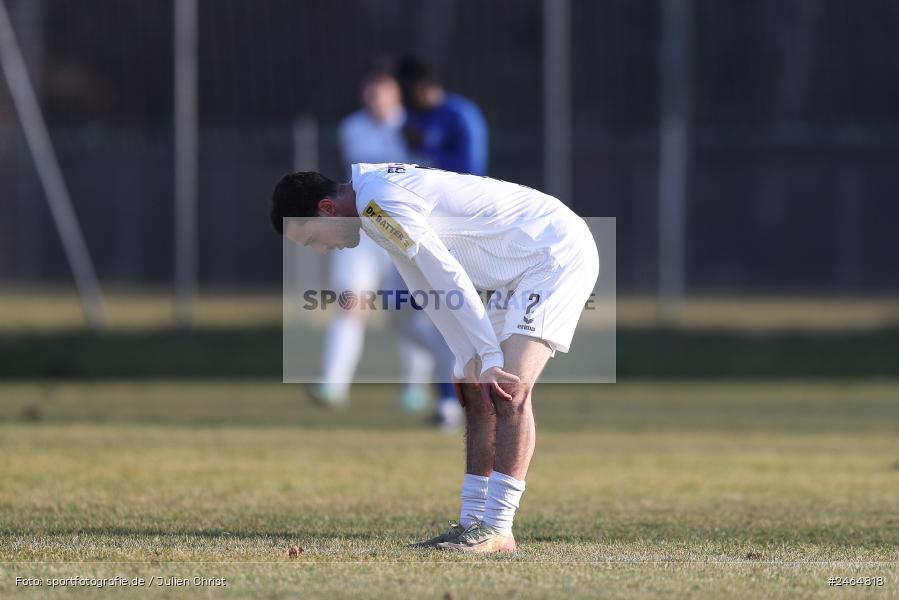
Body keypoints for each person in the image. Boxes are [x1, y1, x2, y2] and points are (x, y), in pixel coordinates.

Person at [270, 163, 599, 553]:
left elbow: (447, 276)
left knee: (510, 388)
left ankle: (498, 529)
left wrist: (489, 354)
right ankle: (472, 522)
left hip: (552, 253)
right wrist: (467, 357)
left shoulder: (378, 203)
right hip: (516, 270)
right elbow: (426, 287)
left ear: (326, 209)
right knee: (475, 389)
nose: (321, 250)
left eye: (311, 240)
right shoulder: (373, 206)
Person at [312, 64, 461, 430]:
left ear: (397, 95)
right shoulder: (353, 128)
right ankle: (333, 385)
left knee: (409, 314)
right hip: (363, 233)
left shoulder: (416, 127)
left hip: (400, 234)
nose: (374, 99)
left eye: (381, 92)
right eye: (370, 92)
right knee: (351, 303)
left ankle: (424, 384)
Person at [395, 57, 488, 176]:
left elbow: (471, 169)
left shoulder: (461, 115)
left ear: (422, 88)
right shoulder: (412, 113)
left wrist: (423, 146)